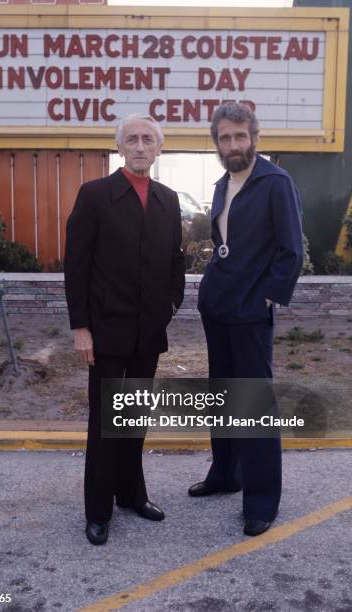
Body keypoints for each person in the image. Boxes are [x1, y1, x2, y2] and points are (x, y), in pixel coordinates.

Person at [64, 114, 185, 545]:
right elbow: (75, 266)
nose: (139, 145)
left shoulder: (169, 200)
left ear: (158, 149)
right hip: (106, 330)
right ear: (120, 148)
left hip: (148, 333)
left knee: (134, 418)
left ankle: (131, 495)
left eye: (147, 139)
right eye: (131, 139)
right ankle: (97, 511)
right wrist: (81, 328)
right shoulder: (94, 195)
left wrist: (171, 304)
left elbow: (175, 261)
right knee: (104, 423)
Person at [189, 103, 303, 536]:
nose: (233, 145)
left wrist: (268, 299)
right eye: (225, 138)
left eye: (240, 136)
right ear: (216, 142)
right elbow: (224, 243)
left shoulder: (276, 182)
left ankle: (261, 500)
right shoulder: (223, 184)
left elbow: (291, 251)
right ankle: (226, 475)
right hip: (217, 308)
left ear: (254, 137)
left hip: (252, 311)